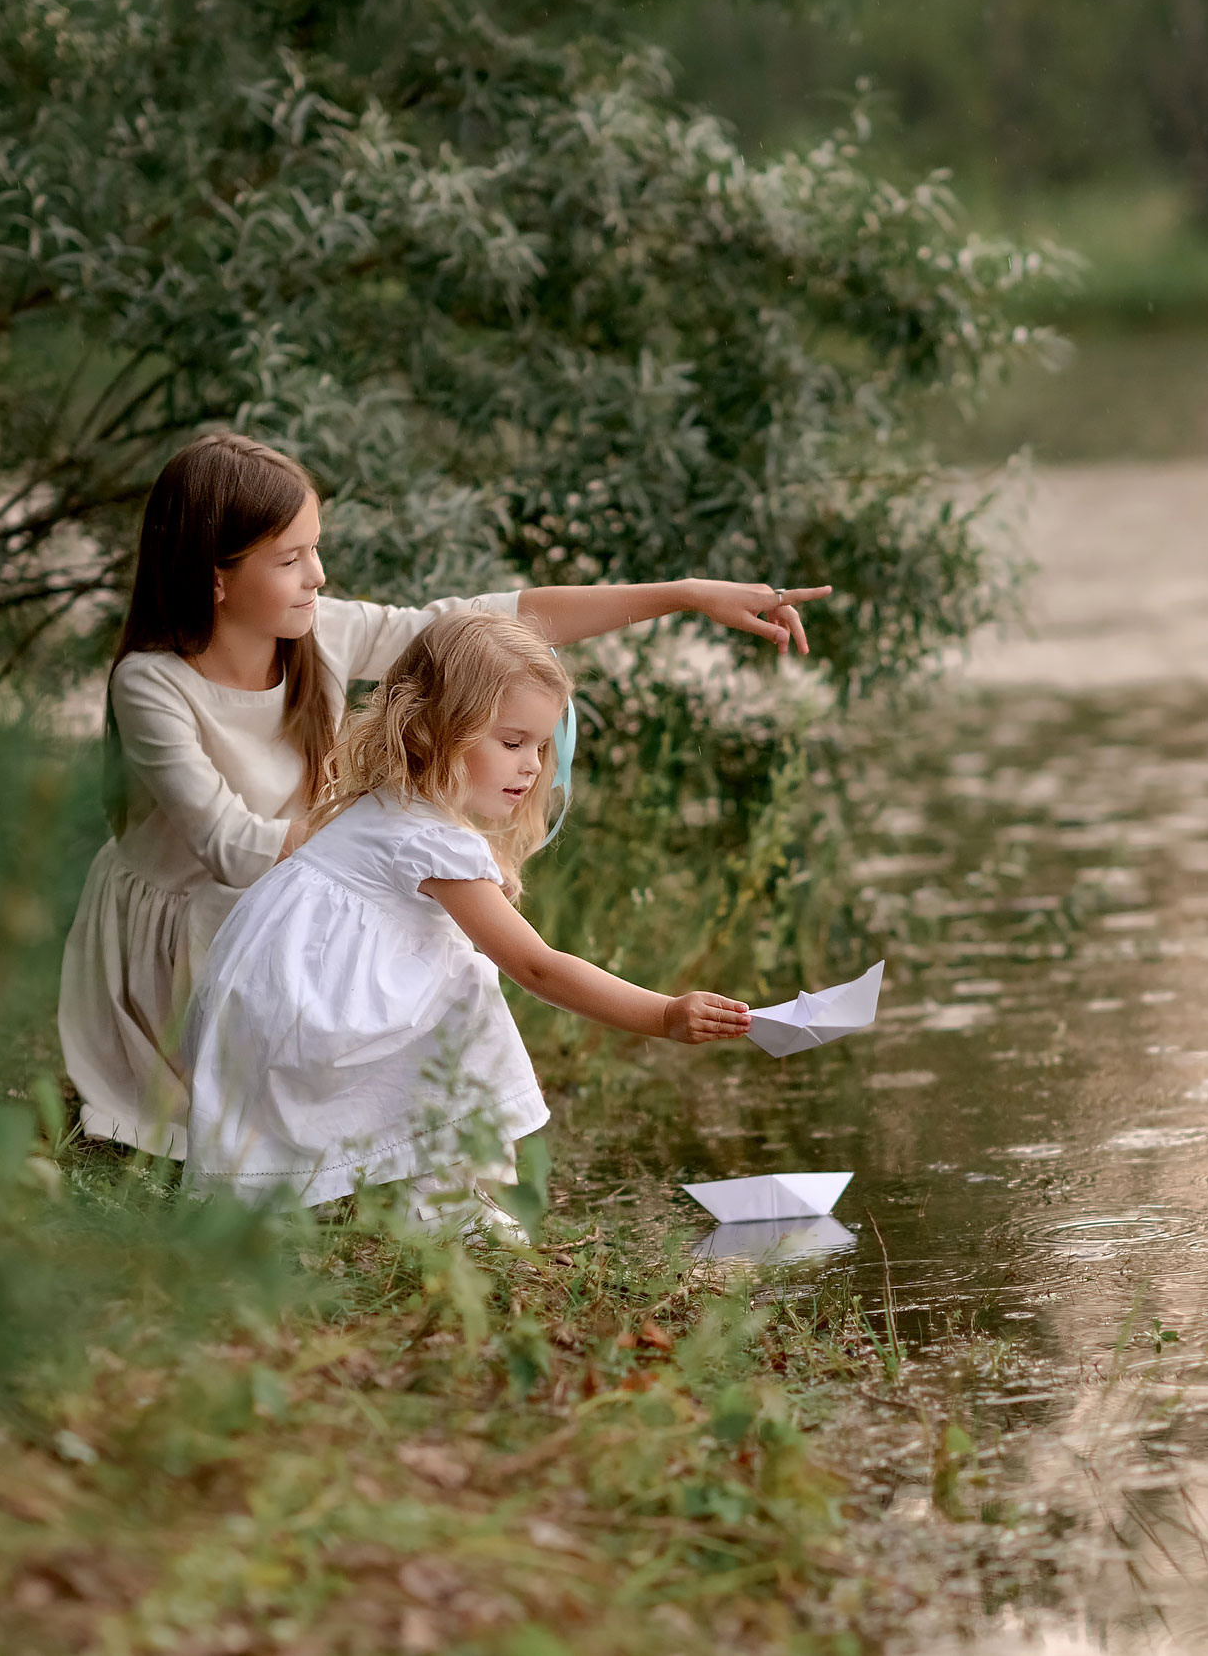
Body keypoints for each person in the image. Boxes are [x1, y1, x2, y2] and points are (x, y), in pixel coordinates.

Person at [57, 431, 823, 1157]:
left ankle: (391, 1129)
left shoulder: (320, 635)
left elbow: (483, 622)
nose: (318, 575)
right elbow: (229, 848)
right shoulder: (151, 683)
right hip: (194, 922)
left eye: (315, 549)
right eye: (292, 558)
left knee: (432, 962)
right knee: (206, 1135)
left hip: (299, 899)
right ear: (215, 576)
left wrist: (686, 595)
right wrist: (389, 840)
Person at [180, 611, 751, 1208]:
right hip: (305, 1023)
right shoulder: (434, 843)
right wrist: (663, 1016)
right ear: (434, 730)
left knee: (444, 966)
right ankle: (441, 1193)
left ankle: (397, 1185)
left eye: (539, 744)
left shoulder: (384, 806)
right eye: (511, 742)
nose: (531, 765)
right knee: (466, 984)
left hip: (263, 1015)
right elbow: (538, 968)